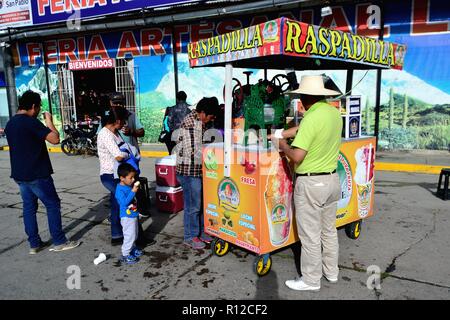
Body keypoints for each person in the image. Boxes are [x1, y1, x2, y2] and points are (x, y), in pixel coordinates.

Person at [272, 75, 342, 291]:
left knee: (310, 235)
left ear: (304, 96)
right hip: (331, 180)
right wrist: (281, 133)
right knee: (329, 231)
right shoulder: (332, 112)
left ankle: (311, 280)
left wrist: (282, 144)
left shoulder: (312, 118)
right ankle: (331, 273)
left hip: (312, 184)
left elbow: (297, 156)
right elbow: (302, 130)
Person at [4, 90, 80, 254]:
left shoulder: (11, 124)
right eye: (38, 108)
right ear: (33, 106)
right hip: (37, 173)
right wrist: (49, 121)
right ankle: (59, 241)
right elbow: (55, 139)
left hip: (20, 174)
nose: (38, 111)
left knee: (29, 208)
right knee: (52, 205)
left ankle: (34, 244)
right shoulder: (30, 122)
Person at [175, 97, 218, 249]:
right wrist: (213, 151)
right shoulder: (191, 123)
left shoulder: (201, 122)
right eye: (211, 117)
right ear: (203, 113)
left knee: (200, 203)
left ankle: (201, 231)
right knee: (193, 206)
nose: (212, 120)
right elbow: (192, 151)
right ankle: (190, 236)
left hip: (198, 171)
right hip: (189, 172)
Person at [97, 106, 130, 245]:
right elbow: (118, 156)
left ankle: (117, 235)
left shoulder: (115, 133)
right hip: (109, 176)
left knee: (116, 205)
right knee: (125, 202)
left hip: (117, 175)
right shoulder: (105, 134)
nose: (124, 124)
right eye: (123, 121)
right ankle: (133, 235)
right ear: (117, 120)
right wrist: (129, 154)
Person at [115, 163, 143, 265]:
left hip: (133, 215)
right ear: (122, 178)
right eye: (130, 177)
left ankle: (132, 248)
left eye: (133, 177)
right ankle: (125, 254)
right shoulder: (119, 190)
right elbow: (124, 203)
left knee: (134, 234)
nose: (133, 180)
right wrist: (133, 192)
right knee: (129, 236)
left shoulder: (128, 186)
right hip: (126, 217)